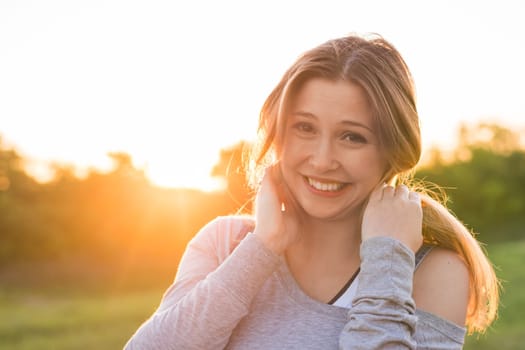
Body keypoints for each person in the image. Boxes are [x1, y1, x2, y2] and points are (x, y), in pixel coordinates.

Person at [125, 33, 499, 349]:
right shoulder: (224, 244)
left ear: (393, 150)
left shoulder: (430, 271)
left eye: (352, 137)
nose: (322, 160)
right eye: (304, 128)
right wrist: (262, 248)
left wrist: (386, 261)